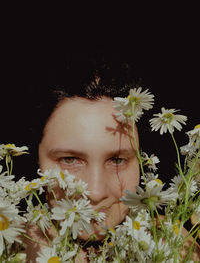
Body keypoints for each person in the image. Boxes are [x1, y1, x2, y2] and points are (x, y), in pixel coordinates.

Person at [24, 56, 200, 262]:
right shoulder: (10, 246)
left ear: (142, 162)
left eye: (117, 161)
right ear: (37, 160)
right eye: (70, 160)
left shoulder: (181, 248)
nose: (96, 193)